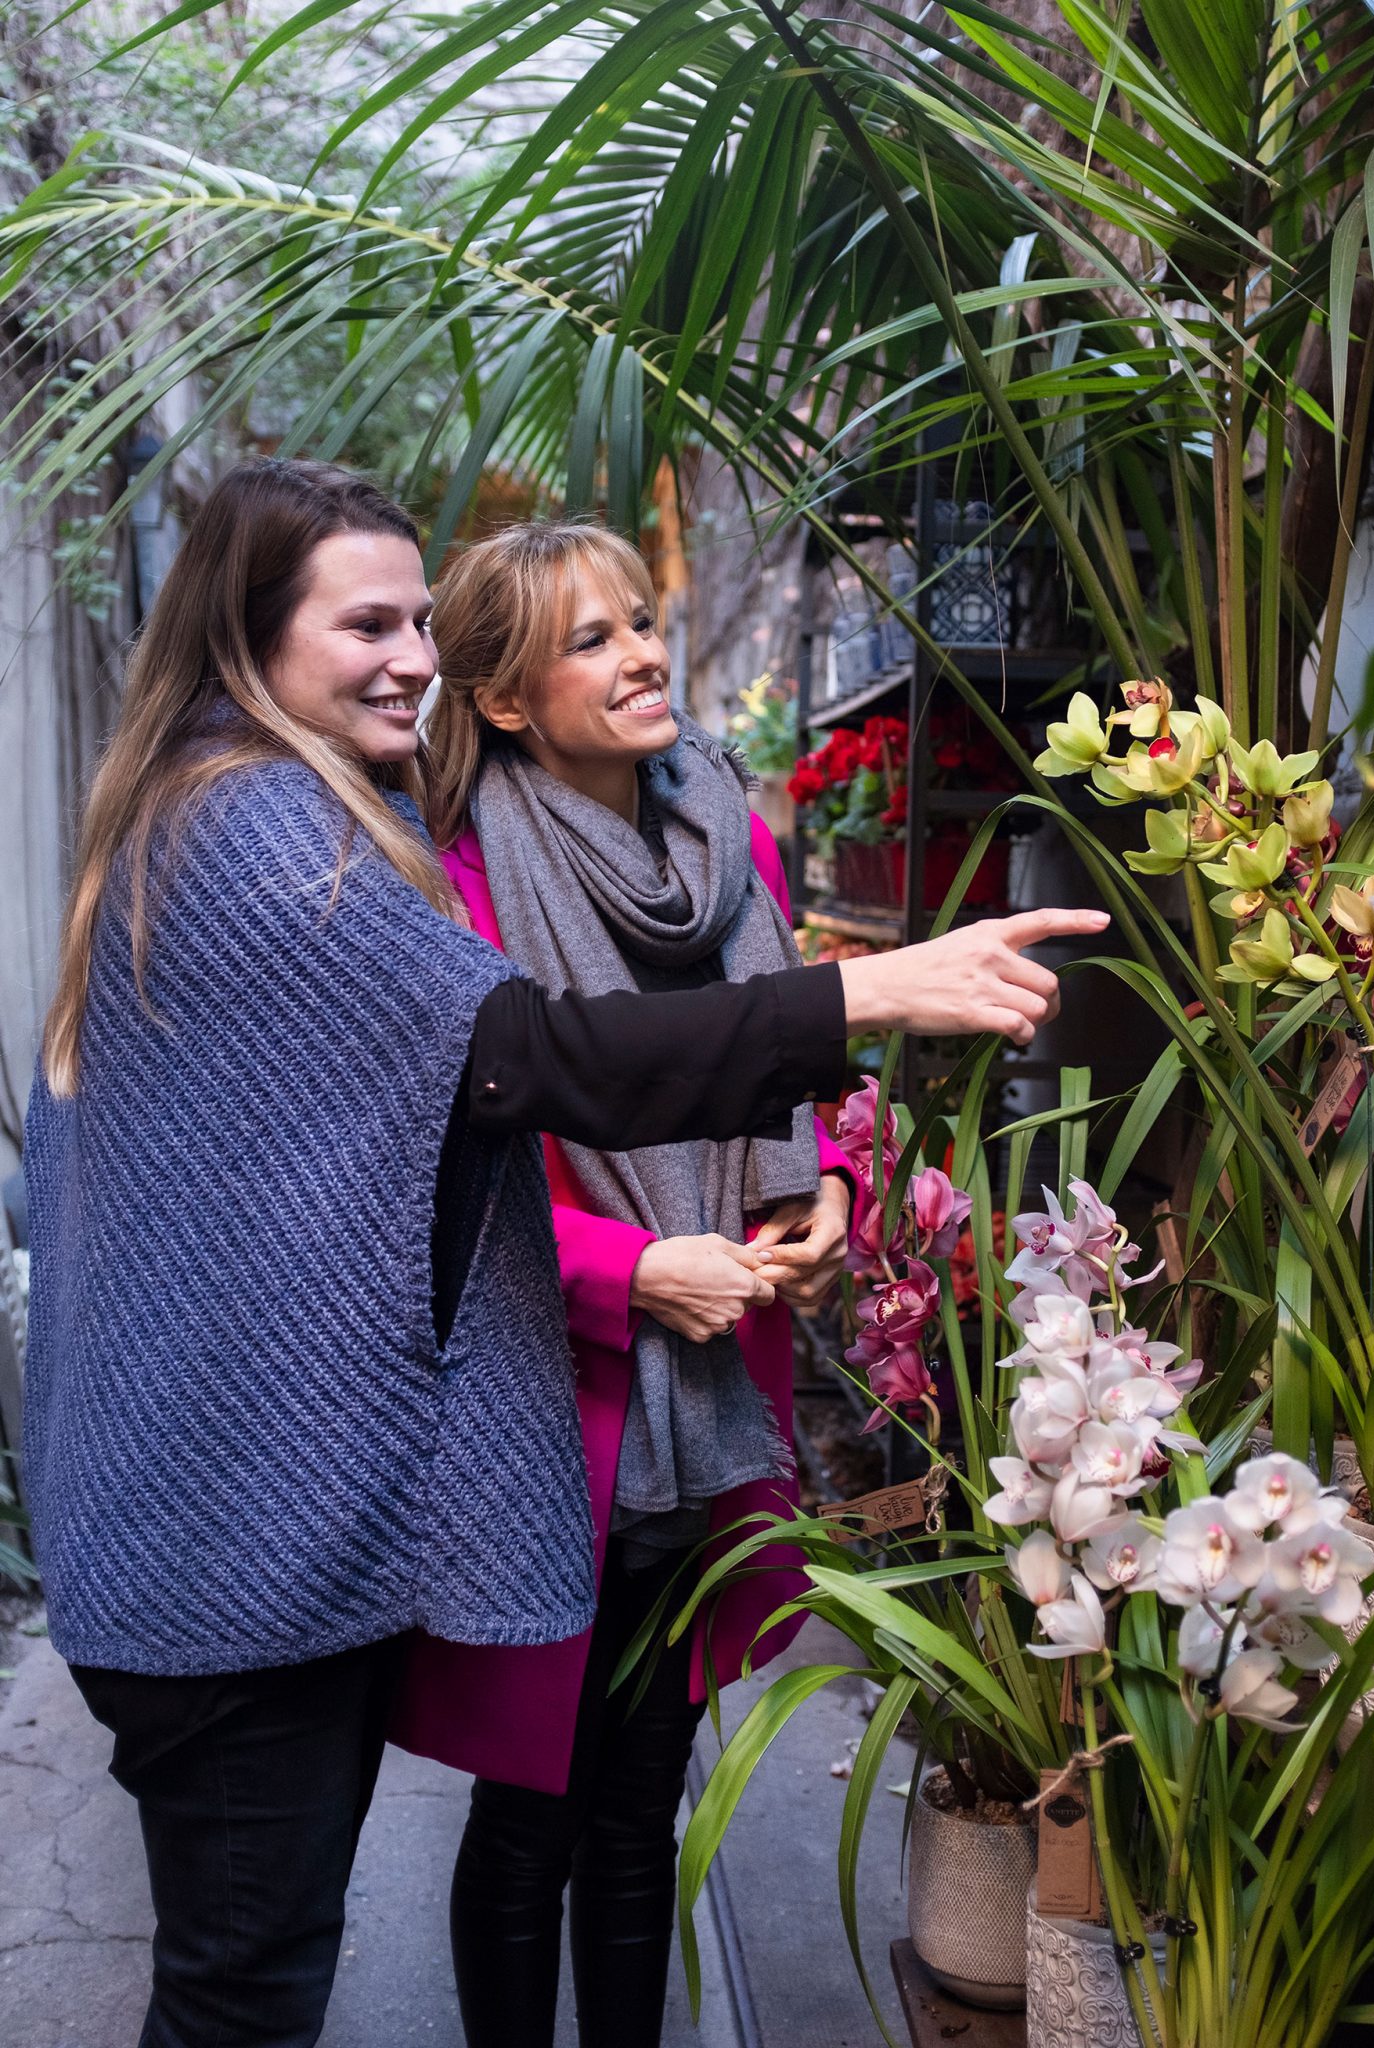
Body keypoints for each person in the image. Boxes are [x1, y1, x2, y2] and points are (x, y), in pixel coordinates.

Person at [22, 457, 1107, 2048]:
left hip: (237, 1524)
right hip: (229, 1539)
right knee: (253, 1982)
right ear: (248, 641)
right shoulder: (271, 834)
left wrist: (798, 1159)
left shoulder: (265, 808)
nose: (410, 657)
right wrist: (866, 997)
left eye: (419, 621)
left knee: (289, 1956)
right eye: (366, 623)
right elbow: (533, 1064)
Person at [390, 522, 858, 2048]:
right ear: (510, 697)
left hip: (717, 1383)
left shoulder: (728, 825)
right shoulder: (448, 873)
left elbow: (796, 1049)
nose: (643, 652)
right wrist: (634, 1268)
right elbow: (446, 1158)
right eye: (589, 638)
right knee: (533, 1801)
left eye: (639, 621)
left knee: (642, 1794)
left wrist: (830, 1181)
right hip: (559, 1394)